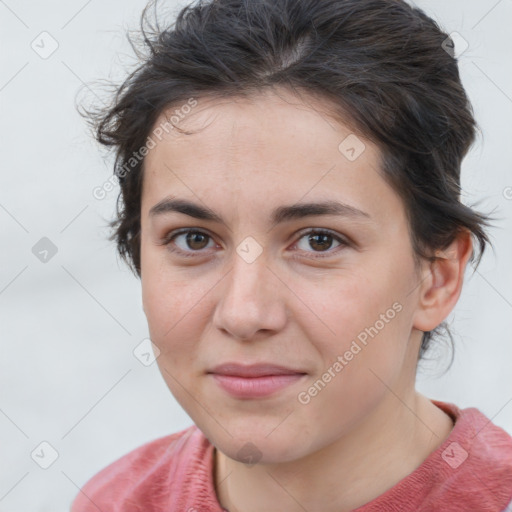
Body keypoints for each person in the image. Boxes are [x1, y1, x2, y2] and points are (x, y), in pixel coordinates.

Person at [71, 0, 512, 510]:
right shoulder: (115, 501)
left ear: (437, 277)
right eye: (194, 239)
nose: (244, 313)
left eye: (318, 240)